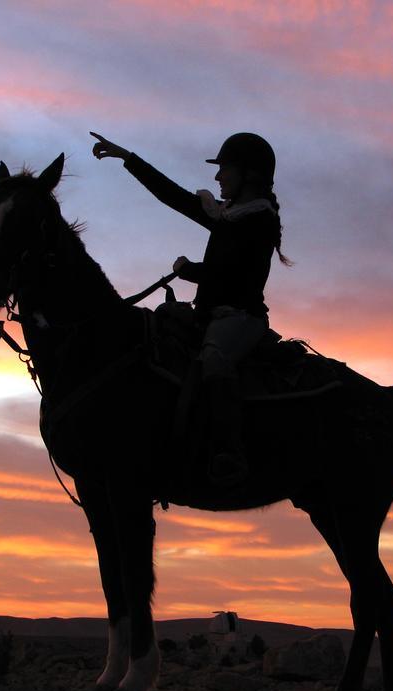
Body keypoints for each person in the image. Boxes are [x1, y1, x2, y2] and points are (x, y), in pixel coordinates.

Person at [90, 130, 289, 486]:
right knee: (158, 322)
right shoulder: (230, 214)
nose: (217, 177)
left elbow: (230, 275)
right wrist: (128, 159)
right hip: (209, 314)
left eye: (224, 169)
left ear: (249, 175)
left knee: (214, 357)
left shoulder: (260, 219)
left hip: (241, 319)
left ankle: (229, 452)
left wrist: (188, 270)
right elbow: (175, 198)